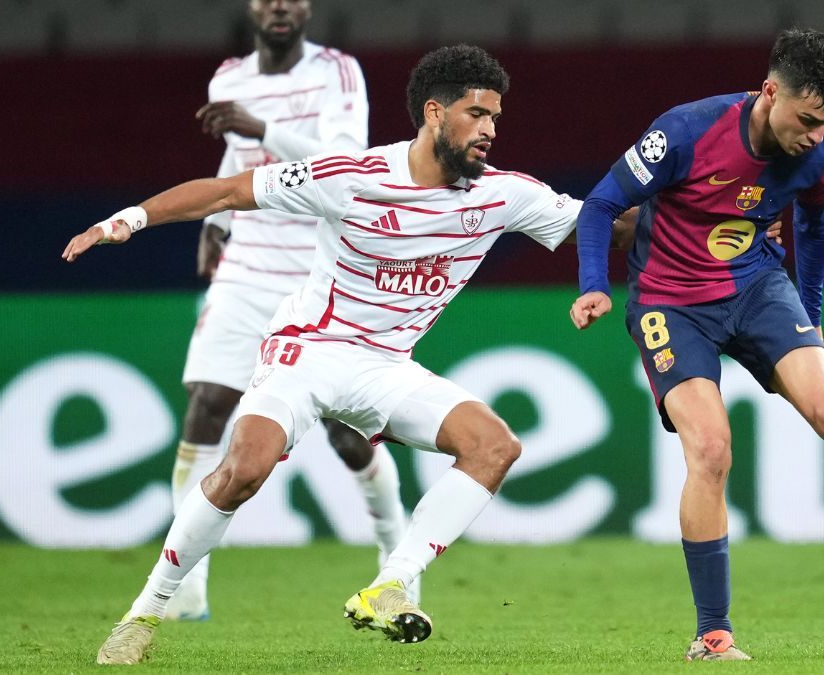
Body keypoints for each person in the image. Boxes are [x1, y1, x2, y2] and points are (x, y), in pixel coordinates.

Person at [65, 44, 643, 666]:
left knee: (494, 445)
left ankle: (391, 584)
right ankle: (144, 614)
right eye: (477, 115)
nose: (490, 131)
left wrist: (718, 214)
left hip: (385, 367)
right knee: (246, 468)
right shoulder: (353, 176)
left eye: (496, 119)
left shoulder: (506, 195)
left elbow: (608, 226)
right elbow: (229, 191)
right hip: (308, 350)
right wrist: (127, 219)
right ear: (433, 113)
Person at [569, 28, 824, 661]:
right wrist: (594, 285)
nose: (816, 135)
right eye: (809, 118)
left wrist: (811, 327)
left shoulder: (822, 150)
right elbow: (600, 205)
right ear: (770, 92)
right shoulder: (686, 131)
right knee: (709, 449)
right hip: (670, 302)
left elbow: (815, 227)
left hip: (758, 287)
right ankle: (713, 635)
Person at [166, 0, 416, 620]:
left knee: (346, 433)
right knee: (207, 407)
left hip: (320, 273)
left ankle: (397, 561)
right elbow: (236, 159)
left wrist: (264, 130)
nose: (279, 5)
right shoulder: (229, 77)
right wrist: (219, 219)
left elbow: (348, 161)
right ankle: (186, 592)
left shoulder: (339, 71)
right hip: (248, 270)